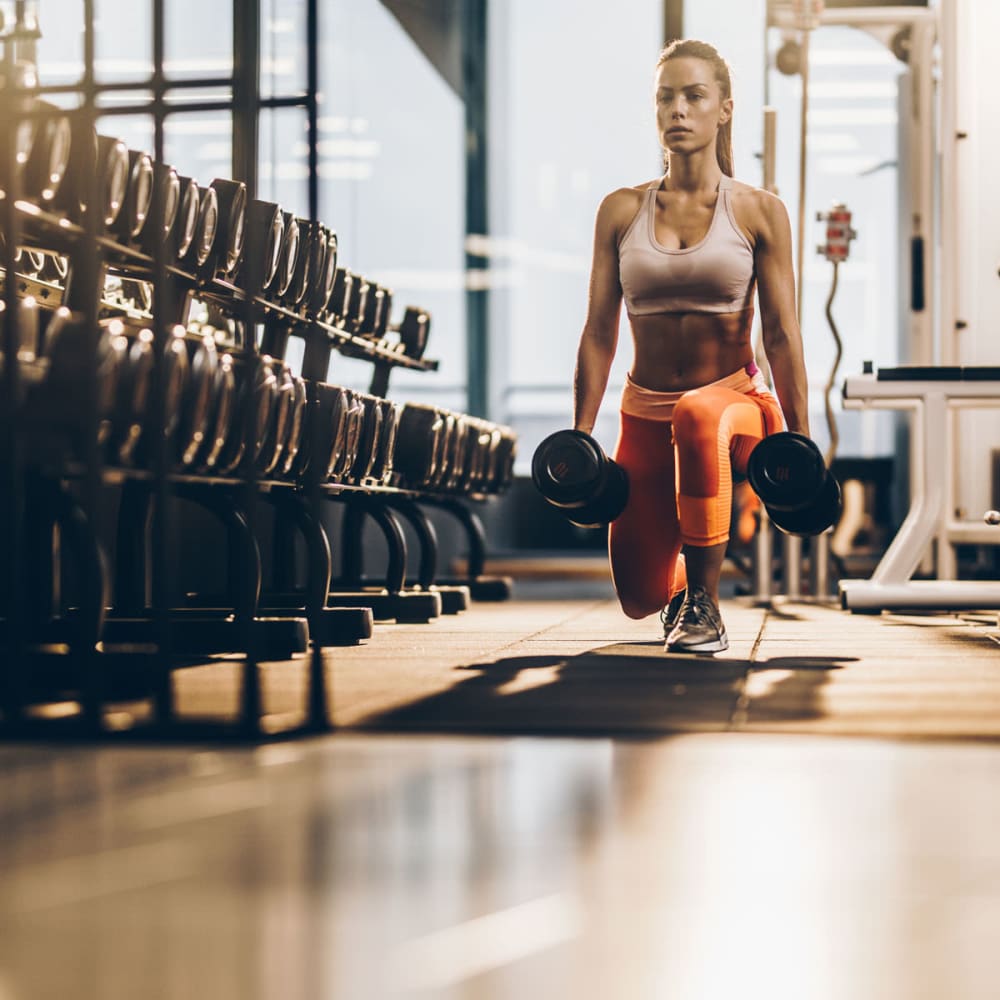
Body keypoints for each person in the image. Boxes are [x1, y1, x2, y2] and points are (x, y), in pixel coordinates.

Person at [572, 38, 810, 654]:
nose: (677, 110)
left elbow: (781, 334)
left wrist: (802, 439)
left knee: (697, 413)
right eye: (666, 97)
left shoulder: (759, 212)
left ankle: (706, 604)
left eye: (693, 96)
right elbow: (600, 330)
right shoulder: (621, 210)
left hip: (735, 405)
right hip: (644, 410)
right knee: (638, 597)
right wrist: (580, 436)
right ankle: (680, 591)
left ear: (723, 109)